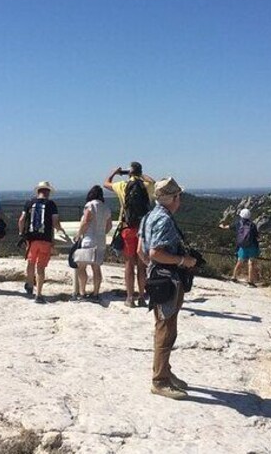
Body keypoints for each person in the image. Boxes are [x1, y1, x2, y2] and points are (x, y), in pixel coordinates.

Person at [139, 177, 197, 400]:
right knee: (166, 328)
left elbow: (141, 252)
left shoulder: (148, 217)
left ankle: (165, 371)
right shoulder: (163, 220)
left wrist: (152, 271)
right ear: (172, 198)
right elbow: (155, 252)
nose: (180, 200)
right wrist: (183, 261)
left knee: (165, 325)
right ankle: (160, 380)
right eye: (178, 196)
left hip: (157, 278)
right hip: (168, 280)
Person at [104, 161, 156, 308]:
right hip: (143, 230)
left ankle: (129, 298)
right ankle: (141, 297)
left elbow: (106, 183)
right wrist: (138, 174)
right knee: (141, 265)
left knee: (129, 264)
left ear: (129, 173)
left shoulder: (123, 186)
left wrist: (116, 172)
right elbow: (153, 181)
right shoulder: (146, 186)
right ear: (140, 172)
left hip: (127, 228)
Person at [18, 181, 70, 304]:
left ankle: (30, 285)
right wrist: (61, 230)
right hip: (45, 239)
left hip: (31, 239)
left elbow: (21, 220)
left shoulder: (29, 203)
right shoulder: (51, 204)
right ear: (48, 192)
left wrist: (21, 234)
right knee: (40, 267)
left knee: (31, 263)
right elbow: (55, 222)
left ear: (38, 191)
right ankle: (39, 294)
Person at [73, 185, 113, 302]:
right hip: (100, 241)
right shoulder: (106, 208)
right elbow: (109, 225)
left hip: (88, 239)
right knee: (96, 268)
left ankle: (82, 293)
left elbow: (86, 221)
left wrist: (79, 234)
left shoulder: (89, 205)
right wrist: (102, 233)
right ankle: (96, 293)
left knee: (82, 267)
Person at [232, 208, 260, 286]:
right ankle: (250, 281)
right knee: (251, 263)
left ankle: (234, 277)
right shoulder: (252, 225)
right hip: (252, 246)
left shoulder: (238, 223)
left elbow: (230, 227)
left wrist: (222, 226)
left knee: (239, 261)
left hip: (242, 246)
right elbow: (257, 236)